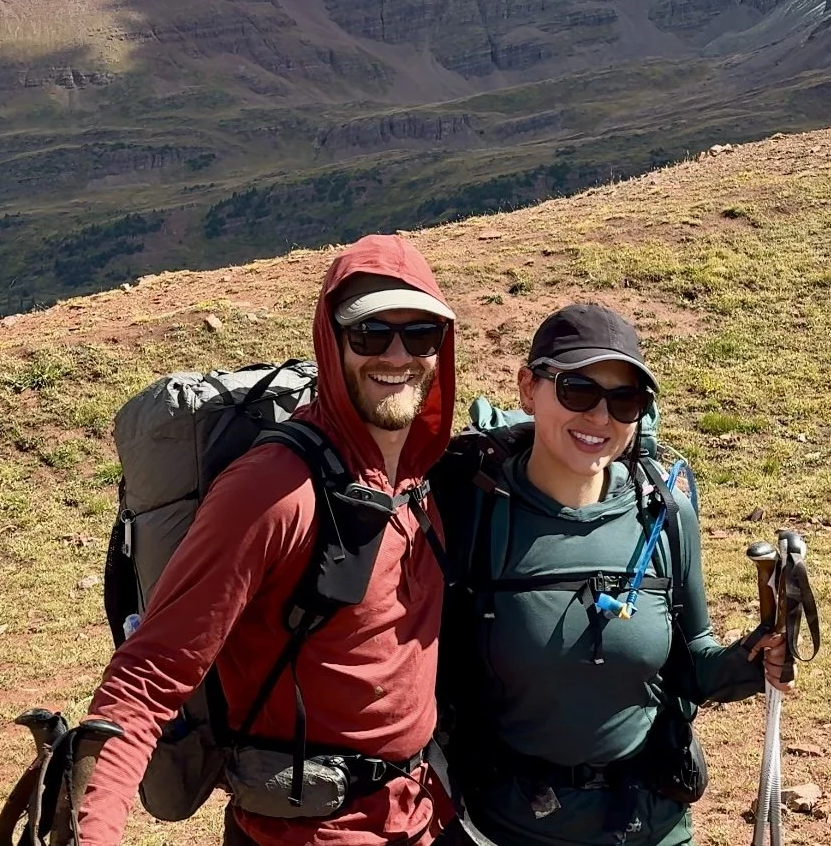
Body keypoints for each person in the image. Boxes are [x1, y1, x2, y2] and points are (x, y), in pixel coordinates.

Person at [72, 234, 459, 846]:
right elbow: (147, 675)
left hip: (421, 819)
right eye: (369, 334)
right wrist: (93, 830)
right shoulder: (274, 490)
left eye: (420, 334)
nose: (396, 353)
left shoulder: (421, 478)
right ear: (330, 344)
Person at [433, 303, 791, 846]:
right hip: (505, 828)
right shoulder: (473, 513)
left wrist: (753, 657)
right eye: (578, 390)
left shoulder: (665, 516)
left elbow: (693, 664)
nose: (600, 418)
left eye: (625, 400)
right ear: (529, 388)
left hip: (651, 825)